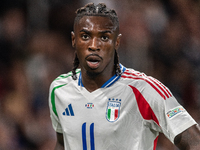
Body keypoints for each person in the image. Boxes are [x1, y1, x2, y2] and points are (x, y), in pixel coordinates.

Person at [48, 3, 200, 150]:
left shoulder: (144, 89)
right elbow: (63, 143)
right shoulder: (59, 89)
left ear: (117, 42)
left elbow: (194, 142)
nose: (94, 45)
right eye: (85, 36)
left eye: (104, 37)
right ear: (74, 40)